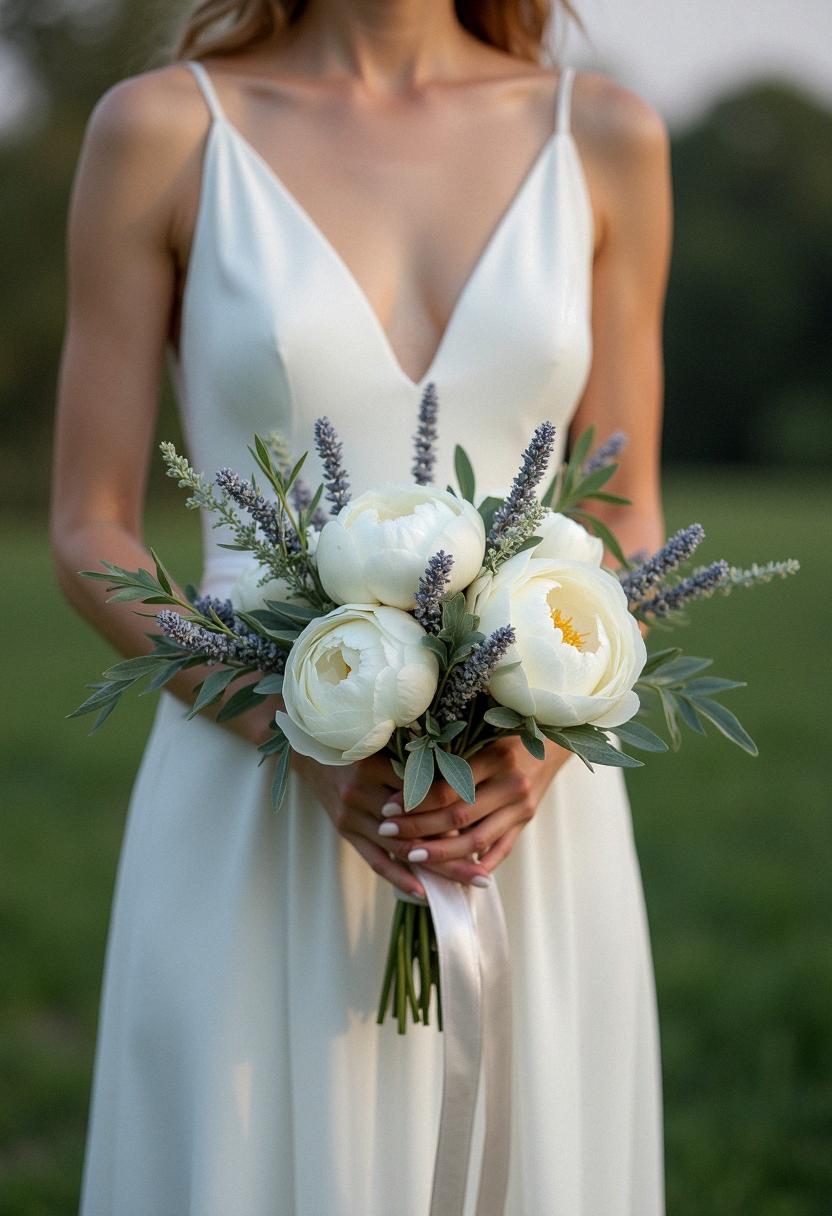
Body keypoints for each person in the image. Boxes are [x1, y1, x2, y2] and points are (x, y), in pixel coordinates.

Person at [50, 1, 672, 1212]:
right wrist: (290, 727)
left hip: (520, 815)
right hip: (252, 785)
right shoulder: (166, 131)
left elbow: (632, 507)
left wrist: (539, 745)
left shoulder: (603, 136)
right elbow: (88, 530)